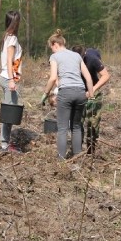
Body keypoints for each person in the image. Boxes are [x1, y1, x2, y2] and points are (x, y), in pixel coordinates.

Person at [41, 30, 93, 159]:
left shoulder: (55, 57)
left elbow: (53, 78)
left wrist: (45, 93)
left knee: (63, 128)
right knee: (76, 126)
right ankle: (77, 157)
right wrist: (90, 95)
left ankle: (61, 160)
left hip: (66, 92)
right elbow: (89, 78)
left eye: (51, 48)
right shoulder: (76, 56)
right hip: (81, 92)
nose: (52, 51)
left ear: (55, 44)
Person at [72, 45, 111, 154]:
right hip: (78, 91)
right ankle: (77, 151)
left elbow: (106, 75)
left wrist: (92, 90)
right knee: (77, 122)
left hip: (93, 90)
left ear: (83, 56)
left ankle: (90, 151)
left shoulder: (92, 59)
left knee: (92, 123)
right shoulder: (70, 60)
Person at [0, 11, 23, 153]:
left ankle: (5, 142)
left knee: (10, 110)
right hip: (8, 78)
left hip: (6, 77)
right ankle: (4, 144)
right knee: (9, 112)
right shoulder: (12, 39)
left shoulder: (7, 37)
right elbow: (9, 60)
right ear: (15, 22)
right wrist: (11, 80)